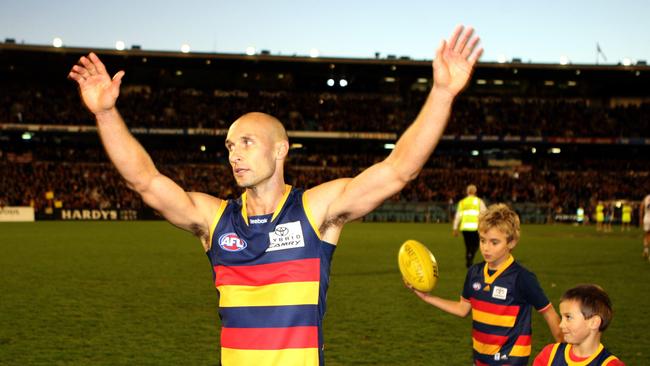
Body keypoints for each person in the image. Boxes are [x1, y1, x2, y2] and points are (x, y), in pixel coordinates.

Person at [68, 26, 483, 365]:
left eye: (246, 142)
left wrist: (442, 93)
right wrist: (105, 112)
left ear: (280, 149)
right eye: (230, 146)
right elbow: (145, 181)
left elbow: (398, 171)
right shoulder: (215, 219)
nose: (234, 154)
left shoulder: (315, 209)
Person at [406, 203, 563, 365]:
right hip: (480, 357)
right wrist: (427, 297)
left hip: (509, 360)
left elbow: (549, 313)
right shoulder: (474, 273)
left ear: (512, 242)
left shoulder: (522, 277)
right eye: (482, 240)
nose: (486, 248)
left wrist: (565, 348)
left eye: (494, 242)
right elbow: (462, 309)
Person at [533, 284, 624, 366]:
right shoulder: (549, 355)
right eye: (562, 317)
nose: (561, 325)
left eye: (568, 317)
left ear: (594, 322)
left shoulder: (610, 364)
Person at [453, 184, 487, 267]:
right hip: (475, 227)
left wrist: (455, 228)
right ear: (475, 192)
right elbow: (485, 213)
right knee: (475, 244)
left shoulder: (462, 202)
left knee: (468, 245)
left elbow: (458, 216)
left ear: (467, 192)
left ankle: (469, 259)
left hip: (465, 228)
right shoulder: (479, 201)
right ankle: (470, 255)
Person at [641, 194, 650, 260]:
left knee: (646, 235)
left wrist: (640, 218)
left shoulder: (646, 197)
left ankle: (646, 251)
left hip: (646, 218)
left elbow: (641, 208)